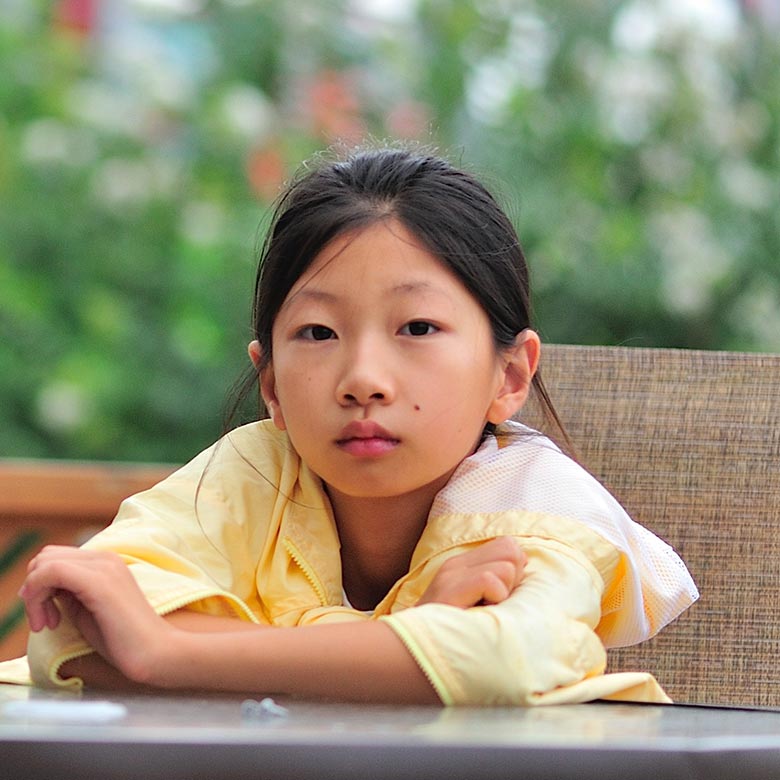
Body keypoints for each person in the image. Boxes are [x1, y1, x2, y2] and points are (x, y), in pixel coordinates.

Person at [5, 145, 697, 705]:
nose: (363, 378)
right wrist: (400, 638)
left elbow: (502, 661)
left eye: (417, 327)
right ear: (272, 384)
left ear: (510, 376)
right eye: (318, 332)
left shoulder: (534, 500)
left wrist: (169, 653)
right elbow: (69, 633)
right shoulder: (252, 474)